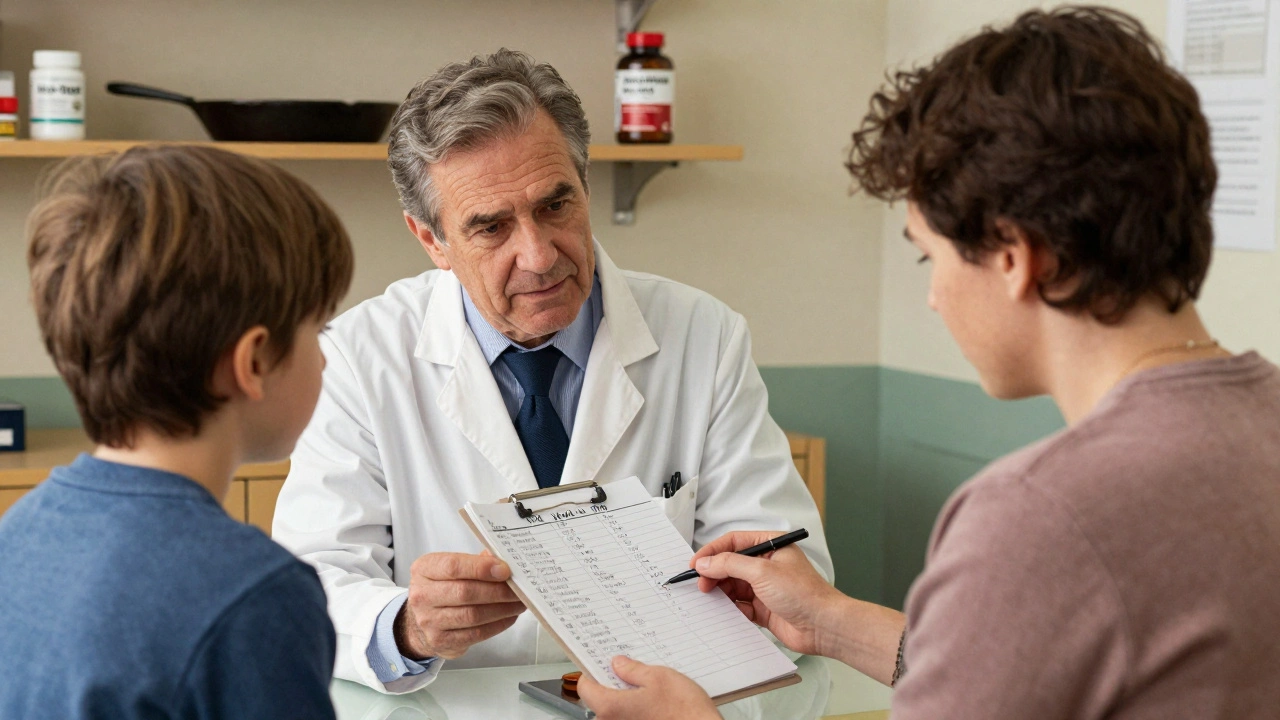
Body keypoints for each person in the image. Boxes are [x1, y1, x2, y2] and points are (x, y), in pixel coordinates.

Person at [576, 7, 1280, 719]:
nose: (936, 299)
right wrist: (829, 620)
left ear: (1013, 257)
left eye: (928, 255)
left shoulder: (1037, 519)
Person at [270, 48, 832, 694]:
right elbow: (310, 586)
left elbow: (794, 575)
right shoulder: (359, 357)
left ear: (584, 185)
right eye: (491, 227)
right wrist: (405, 627)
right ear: (431, 240)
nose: (538, 256)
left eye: (555, 205)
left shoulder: (704, 335)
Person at [0, 146, 353, 718]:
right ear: (254, 362)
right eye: (319, 328)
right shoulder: (256, 595)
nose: (327, 360)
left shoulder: (17, 538)